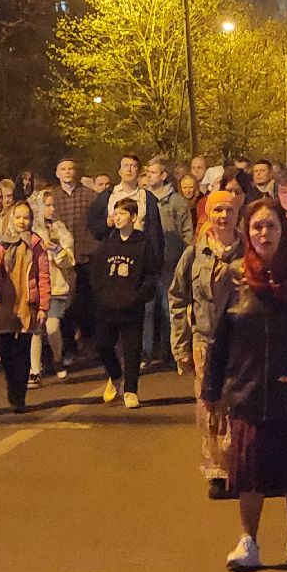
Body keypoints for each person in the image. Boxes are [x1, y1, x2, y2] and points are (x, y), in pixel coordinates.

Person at [203, 200, 287, 570]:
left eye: (270, 226)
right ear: (247, 232)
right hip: (248, 387)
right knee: (249, 469)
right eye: (257, 227)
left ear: (284, 229)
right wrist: (212, 393)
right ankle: (249, 539)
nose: (263, 234)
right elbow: (219, 337)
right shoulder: (233, 275)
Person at [170, 191, 244, 499]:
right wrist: (180, 346)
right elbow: (177, 298)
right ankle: (216, 470)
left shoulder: (248, 250)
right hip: (205, 339)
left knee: (238, 403)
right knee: (209, 405)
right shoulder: (193, 254)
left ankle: (239, 464)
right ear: (208, 215)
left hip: (241, 340)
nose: (224, 216)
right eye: (218, 210)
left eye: (228, 209)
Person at [92, 198, 160, 409]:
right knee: (103, 344)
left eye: (122, 214)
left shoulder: (143, 243)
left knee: (132, 350)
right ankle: (114, 375)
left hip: (132, 306)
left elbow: (151, 274)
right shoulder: (108, 242)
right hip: (108, 304)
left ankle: (130, 389)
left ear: (133, 217)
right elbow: (97, 272)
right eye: (115, 213)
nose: (117, 218)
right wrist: (101, 293)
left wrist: (138, 296)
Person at [0, 202, 51, 413]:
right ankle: (12, 385)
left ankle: (19, 396)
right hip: (6, 302)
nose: (22, 221)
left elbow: (43, 275)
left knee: (23, 352)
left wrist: (43, 306)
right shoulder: (1, 242)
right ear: (11, 219)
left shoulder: (36, 244)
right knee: (4, 347)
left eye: (26, 217)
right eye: (18, 217)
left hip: (28, 303)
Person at [143, 157, 194, 370]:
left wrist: (186, 262)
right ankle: (144, 353)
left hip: (170, 263)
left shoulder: (178, 202)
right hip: (147, 263)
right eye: (147, 172)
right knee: (146, 309)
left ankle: (171, 351)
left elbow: (187, 234)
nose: (149, 176)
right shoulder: (142, 199)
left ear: (164, 176)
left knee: (169, 309)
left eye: (153, 172)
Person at [50, 159, 97, 364]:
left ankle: (88, 343)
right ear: (57, 173)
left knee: (86, 303)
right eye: (63, 169)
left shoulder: (89, 195)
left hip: (85, 255)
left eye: (71, 168)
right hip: (61, 260)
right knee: (65, 305)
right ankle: (68, 347)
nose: (68, 172)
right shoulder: (52, 197)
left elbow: (97, 223)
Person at [30, 190, 75, 387]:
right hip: (35, 286)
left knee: (52, 326)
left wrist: (56, 250)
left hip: (56, 286)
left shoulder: (59, 229)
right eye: (48, 205)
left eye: (53, 205)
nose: (52, 209)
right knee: (36, 329)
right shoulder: (29, 231)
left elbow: (69, 258)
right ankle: (34, 370)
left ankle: (57, 358)